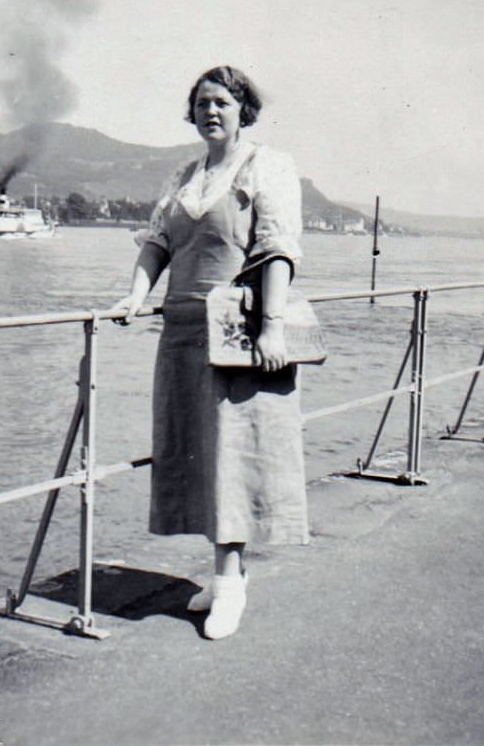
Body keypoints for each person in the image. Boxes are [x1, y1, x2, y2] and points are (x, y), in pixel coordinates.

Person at [112, 65, 308, 639]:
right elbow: (158, 243)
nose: (210, 112)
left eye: (222, 102)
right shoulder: (184, 174)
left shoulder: (266, 165)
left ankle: (229, 585)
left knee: (231, 453)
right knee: (193, 450)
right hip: (180, 332)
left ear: (243, 108)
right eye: (201, 103)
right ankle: (227, 571)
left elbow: (276, 249)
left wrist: (272, 325)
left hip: (233, 328)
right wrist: (134, 295)